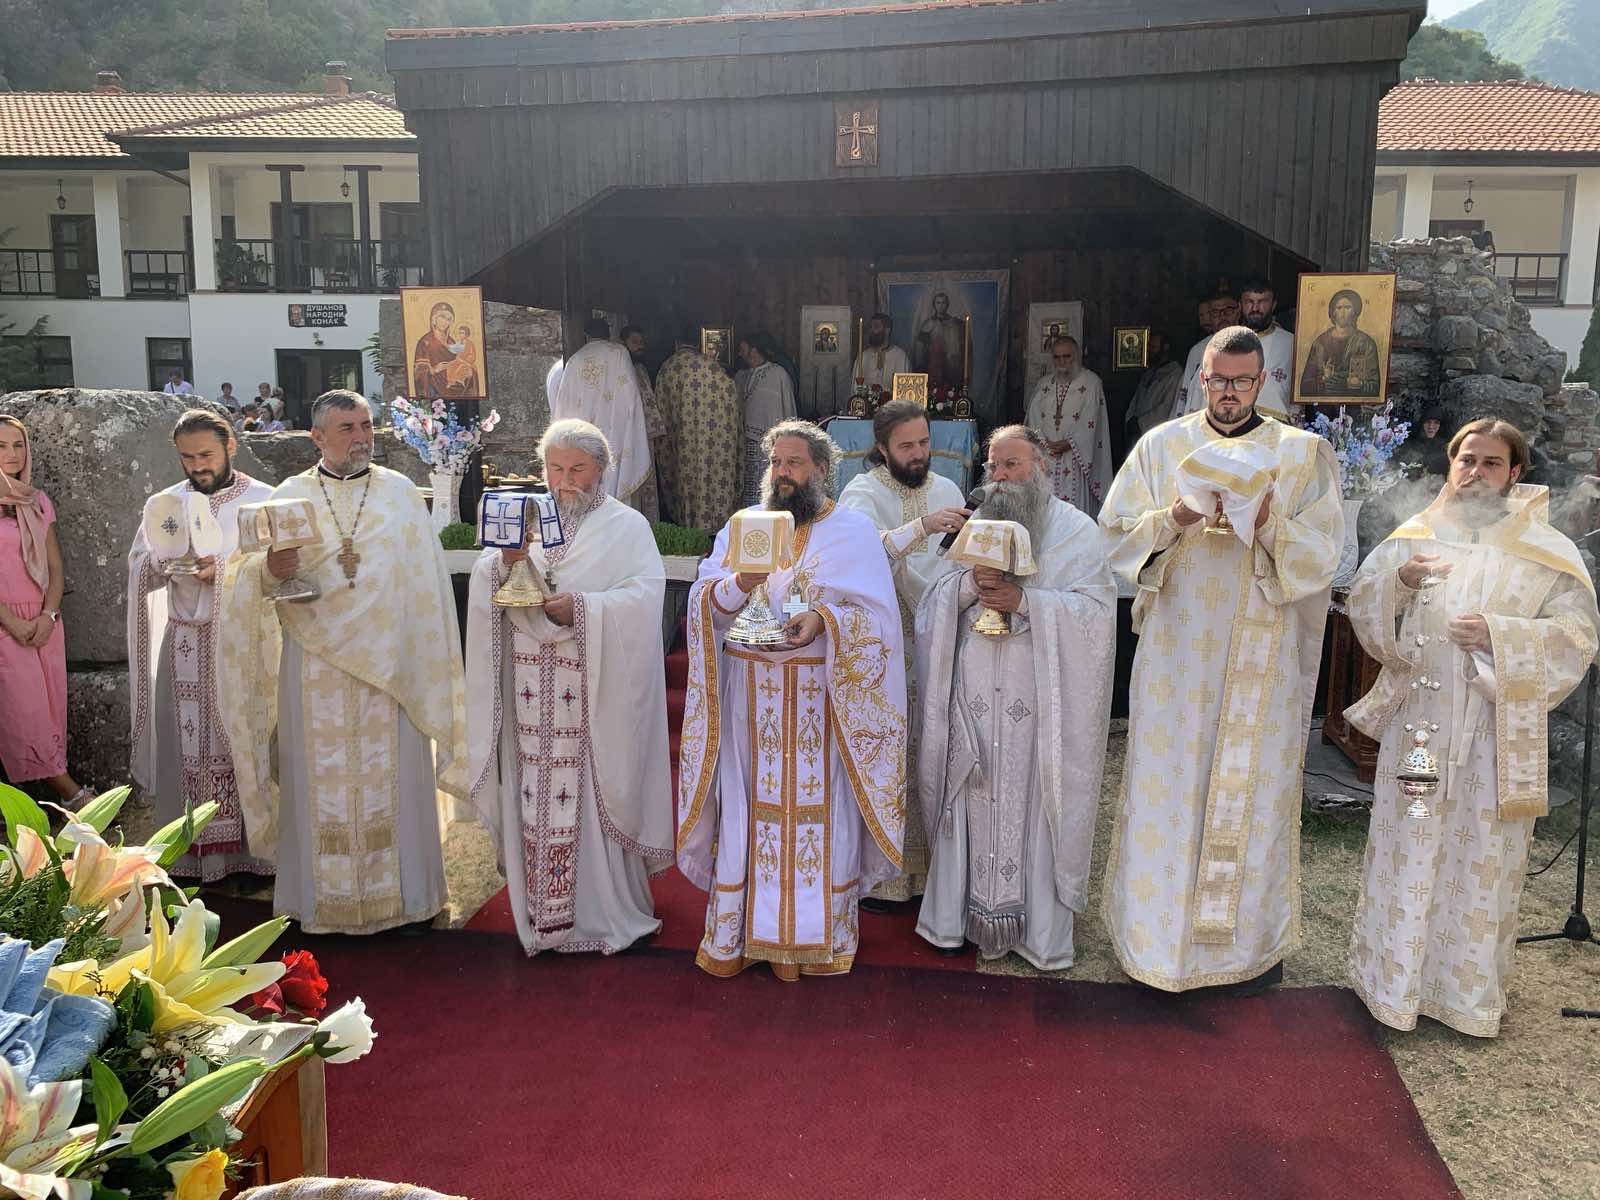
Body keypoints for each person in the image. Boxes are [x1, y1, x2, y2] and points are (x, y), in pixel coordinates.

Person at [1099, 326, 1343, 993]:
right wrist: (1176, 516)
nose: (1228, 392)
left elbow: (1326, 554)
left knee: (1252, 789)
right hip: (1176, 655)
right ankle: (1157, 944)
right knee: (1168, 788)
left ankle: (1243, 952)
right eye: (1217, 380)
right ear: (1200, 379)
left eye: (1241, 381)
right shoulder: (1161, 446)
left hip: (1258, 660)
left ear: (1261, 381)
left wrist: (1265, 524)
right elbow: (1115, 539)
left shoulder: (1301, 455)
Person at [1343, 420, 1599, 1037]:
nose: (1475, 473)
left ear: (1515, 473)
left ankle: (1463, 995)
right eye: (1466, 460)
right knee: (1410, 842)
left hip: (1495, 731)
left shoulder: (1546, 551)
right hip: (1420, 730)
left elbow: (1578, 637)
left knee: (1482, 855)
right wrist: (1399, 585)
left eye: (1491, 463)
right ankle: (1392, 983)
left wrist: (1499, 636)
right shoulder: (1416, 534)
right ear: (1451, 464)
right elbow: (1362, 607)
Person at [219, 390, 471, 934]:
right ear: (317, 437)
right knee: (317, 785)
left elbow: (426, 587)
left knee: (395, 782)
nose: (361, 437)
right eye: (347, 428)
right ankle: (320, 905)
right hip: (315, 666)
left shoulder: (401, 494)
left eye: (366, 425)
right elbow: (243, 577)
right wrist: (270, 569)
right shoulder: (289, 496)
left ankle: (408, 903)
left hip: (391, 669)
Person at [677, 419, 907, 980]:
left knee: (819, 813)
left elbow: (880, 622)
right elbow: (704, 600)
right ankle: (743, 937)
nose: (782, 473)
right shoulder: (744, 526)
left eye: (795, 463)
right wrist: (740, 582)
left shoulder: (853, 531)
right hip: (750, 703)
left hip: (819, 704)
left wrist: (823, 618)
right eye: (776, 462)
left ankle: (813, 939)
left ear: (821, 470)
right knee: (749, 811)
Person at [465, 419, 674, 956]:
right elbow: (489, 577)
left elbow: (645, 597)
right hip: (529, 692)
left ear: (601, 469)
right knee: (534, 795)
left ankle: (600, 912)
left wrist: (583, 608)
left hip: (592, 692)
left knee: (589, 794)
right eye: (555, 468)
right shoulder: (527, 518)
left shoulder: (626, 526)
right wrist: (507, 563)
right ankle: (544, 913)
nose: (564, 480)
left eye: (577, 469)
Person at [916, 425, 1115, 966]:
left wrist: (1025, 602)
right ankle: (957, 919)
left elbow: (1098, 616)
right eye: (994, 466)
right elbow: (933, 601)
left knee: (1032, 800)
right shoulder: (975, 526)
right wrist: (968, 586)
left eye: (1013, 465)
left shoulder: (1076, 531)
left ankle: (1037, 933)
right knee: (970, 790)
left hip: (1039, 701)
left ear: (1041, 469)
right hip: (975, 694)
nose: (1001, 477)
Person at [127, 409, 274, 881]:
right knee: (185, 748)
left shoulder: (263, 500)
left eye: (206, 455)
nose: (197, 466)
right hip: (185, 644)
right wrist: (162, 562)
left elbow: (280, 567)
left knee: (244, 743)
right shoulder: (165, 505)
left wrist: (224, 569)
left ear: (230, 446)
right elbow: (139, 565)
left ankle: (254, 856)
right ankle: (193, 858)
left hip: (244, 645)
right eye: (187, 458)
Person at [837, 401, 969, 905]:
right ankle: (883, 877)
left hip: (939, 638)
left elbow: (961, 559)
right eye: (907, 446)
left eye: (924, 443)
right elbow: (855, 555)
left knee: (934, 746)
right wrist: (922, 527)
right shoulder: (861, 492)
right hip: (887, 645)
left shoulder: (949, 489)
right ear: (882, 447)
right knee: (888, 750)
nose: (918, 454)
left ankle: (933, 871)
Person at [0, 415, 89, 808]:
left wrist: (48, 616)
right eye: (1, 446)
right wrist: (11, 621)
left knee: (50, 712)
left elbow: (55, 566)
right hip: (6, 623)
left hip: (42, 622)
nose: (12, 454)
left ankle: (25, 806)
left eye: (18, 445)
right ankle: (73, 795)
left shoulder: (38, 502)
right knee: (25, 713)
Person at [551, 318, 655, 518]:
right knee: (617, 493)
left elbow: (562, 408)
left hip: (583, 443)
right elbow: (631, 399)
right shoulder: (619, 353)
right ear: (608, 334)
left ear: (586, 335)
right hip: (615, 437)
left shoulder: (574, 360)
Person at [654, 324, 742, 531]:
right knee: (713, 477)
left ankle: (688, 523)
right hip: (714, 442)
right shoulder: (712, 368)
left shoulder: (668, 368)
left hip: (681, 443)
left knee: (685, 480)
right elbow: (733, 399)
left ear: (677, 343)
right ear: (698, 343)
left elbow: (660, 409)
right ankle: (716, 525)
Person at [1179, 278, 1296, 422]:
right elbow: (1200, 390)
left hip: (1275, 427)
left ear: (1273, 305)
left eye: (1262, 302)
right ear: (1240, 305)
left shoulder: (1290, 343)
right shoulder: (1225, 340)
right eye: (1249, 302)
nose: (1255, 308)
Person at [1024, 335, 1112, 519]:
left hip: (1076, 457)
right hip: (1046, 456)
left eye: (1067, 356)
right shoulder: (1044, 384)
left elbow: (1092, 419)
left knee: (1075, 511)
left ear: (1076, 356)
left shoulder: (1091, 383)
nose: (1062, 361)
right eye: (1057, 357)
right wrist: (1043, 442)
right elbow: (1033, 416)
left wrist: (1070, 442)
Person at [739, 333, 797, 506]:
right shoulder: (741, 376)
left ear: (754, 350)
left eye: (743, 349)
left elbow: (788, 406)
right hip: (743, 443)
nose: (740, 354)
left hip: (771, 444)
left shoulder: (779, 374)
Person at [622, 324, 673, 520]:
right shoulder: (622, 370)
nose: (640, 346)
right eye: (635, 342)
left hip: (645, 434)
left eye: (642, 342)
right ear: (623, 343)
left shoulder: (640, 368)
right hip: (630, 435)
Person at [1300, 289, 1381, 399]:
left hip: (1354, 404)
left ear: (1355, 311)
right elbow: (1305, 386)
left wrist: (1358, 384)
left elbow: (1375, 387)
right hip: (1324, 404)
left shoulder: (1366, 343)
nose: (1342, 312)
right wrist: (1324, 379)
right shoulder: (1320, 343)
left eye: (1347, 308)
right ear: (1333, 312)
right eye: (1339, 308)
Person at [1168, 289, 1236, 421]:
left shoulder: (1250, 346)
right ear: (1210, 317)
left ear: (1238, 311)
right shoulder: (1198, 351)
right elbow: (1184, 394)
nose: (1222, 317)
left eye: (1228, 311)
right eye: (1215, 313)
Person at [412, 300, 480, 399]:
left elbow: (458, 360)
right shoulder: (425, 342)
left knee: (473, 369)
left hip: (453, 380)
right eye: (442, 317)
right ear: (434, 319)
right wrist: (434, 370)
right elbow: (419, 372)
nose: (445, 322)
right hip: (435, 385)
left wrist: (466, 367)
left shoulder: (452, 342)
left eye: (449, 319)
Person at [1124, 330, 1182, 442]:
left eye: (1154, 347)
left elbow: (1166, 407)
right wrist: (1130, 420)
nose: (1150, 351)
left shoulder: (1175, 374)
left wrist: (1140, 423)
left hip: (1155, 435)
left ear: (1165, 348)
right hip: (1137, 434)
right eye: (1149, 347)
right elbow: (1136, 401)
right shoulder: (1149, 373)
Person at [913, 291, 966, 393]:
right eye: (938, 303)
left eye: (943, 303)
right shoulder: (928, 324)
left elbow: (960, 348)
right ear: (934, 305)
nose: (941, 306)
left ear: (947, 304)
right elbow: (920, 349)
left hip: (950, 366)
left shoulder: (955, 323)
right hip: (933, 365)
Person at [851, 312, 910, 397]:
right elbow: (855, 390)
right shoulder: (863, 357)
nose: (872, 331)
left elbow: (904, 391)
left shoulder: (900, 357)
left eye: (876, 327)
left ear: (887, 330)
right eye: (871, 327)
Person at [1395, 408, 1450, 480]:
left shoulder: (1445, 446)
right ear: (1422, 424)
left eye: (1436, 423)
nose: (1431, 426)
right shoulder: (1410, 442)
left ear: (1440, 425)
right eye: (1428, 422)